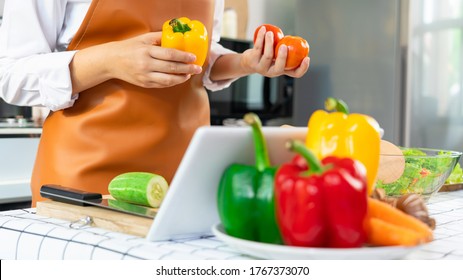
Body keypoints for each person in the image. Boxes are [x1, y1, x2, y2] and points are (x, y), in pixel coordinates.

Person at [0, 0, 310, 207]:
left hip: (185, 177)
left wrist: (246, 63)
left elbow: (200, 58)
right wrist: (109, 60)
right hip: (86, 178)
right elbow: (10, 75)